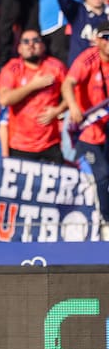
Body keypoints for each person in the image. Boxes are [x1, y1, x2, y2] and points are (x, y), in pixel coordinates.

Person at [61, 20, 109, 221]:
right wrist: (72, 106)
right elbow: (68, 84)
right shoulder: (88, 59)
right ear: (97, 40)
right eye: (106, 38)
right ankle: (105, 221)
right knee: (102, 174)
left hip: (107, 130)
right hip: (87, 131)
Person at [0, 28, 67, 163]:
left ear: (43, 46)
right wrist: (33, 86)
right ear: (19, 49)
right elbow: (4, 99)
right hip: (20, 145)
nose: (31, 45)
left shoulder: (56, 67)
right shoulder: (12, 68)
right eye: (26, 41)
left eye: (36, 41)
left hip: (50, 143)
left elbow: (73, 94)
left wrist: (58, 110)